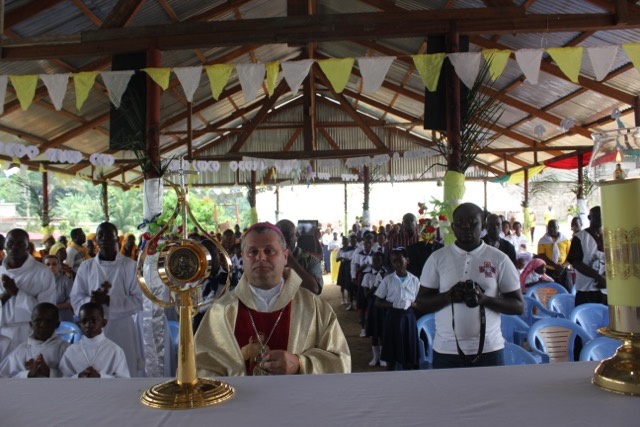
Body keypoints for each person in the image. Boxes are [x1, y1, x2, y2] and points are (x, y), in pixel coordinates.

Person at [195, 222, 350, 376]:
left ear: (285, 256)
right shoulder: (221, 311)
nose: (261, 257)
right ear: (242, 258)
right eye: (252, 252)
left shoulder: (314, 307)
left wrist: (300, 364)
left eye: (269, 251)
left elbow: (340, 361)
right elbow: (201, 370)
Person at [418, 203, 523, 369]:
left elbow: (518, 306)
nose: (466, 227)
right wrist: (449, 296)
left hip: (490, 350)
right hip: (446, 351)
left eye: (472, 223)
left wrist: (485, 300)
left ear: (483, 225)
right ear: (453, 227)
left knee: (492, 396)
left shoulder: (499, 259)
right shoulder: (437, 258)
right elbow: (422, 303)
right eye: (459, 223)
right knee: (447, 396)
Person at [70, 222, 145, 377]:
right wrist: (90, 303)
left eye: (108, 235)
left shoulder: (130, 266)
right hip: (93, 329)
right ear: (96, 239)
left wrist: (109, 301)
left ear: (116, 239)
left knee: (124, 370)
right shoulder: (86, 267)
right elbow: (76, 299)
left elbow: (139, 299)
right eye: (100, 235)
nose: (104, 239)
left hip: (122, 327)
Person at [0, 228, 57, 351]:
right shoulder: (0, 272)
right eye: (10, 243)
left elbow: (47, 310)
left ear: (28, 246)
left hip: (28, 332)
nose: (14, 247)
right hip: (2, 332)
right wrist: (5, 295)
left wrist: (17, 293)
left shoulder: (43, 272)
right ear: (4, 245)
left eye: (20, 243)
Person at [375, 247, 420, 370]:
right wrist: (392, 304)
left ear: (407, 260)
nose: (397, 264)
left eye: (400, 260)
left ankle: (409, 380)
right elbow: (377, 302)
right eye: (394, 261)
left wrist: (410, 303)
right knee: (391, 355)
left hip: (409, 318)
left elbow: (420, 303)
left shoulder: (414, 280)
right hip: (393, 318)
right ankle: (390, 379)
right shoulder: (388, 280)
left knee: (409, 354)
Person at [59, 302, 130, 378]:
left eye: (94, 321)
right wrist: (79, 376)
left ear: (104, 323)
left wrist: (100, 377)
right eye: (84, 321)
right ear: (79, 324)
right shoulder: (71, 351)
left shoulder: (115, 350)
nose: (89, 325)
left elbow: (124, 381)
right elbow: (63, 379)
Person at [0, 302, 69, 378]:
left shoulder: (65, 348)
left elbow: (73, 377)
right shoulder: (21, 350)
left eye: (48, 321)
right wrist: (28, 374)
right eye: (38, 320)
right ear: (31, 324)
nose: (43, 325)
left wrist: (49, 372)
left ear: (57, 324)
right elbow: (4, 376)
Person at [567, 206, 607, 306]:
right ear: (589, 217)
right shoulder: (580, 237)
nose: (600, 218)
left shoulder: (609, 236)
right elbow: (576, 262)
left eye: (602, 216)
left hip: (605, 291)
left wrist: (605, 277)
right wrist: (599, 277)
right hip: (586, 291)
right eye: (597, 216)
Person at [276, 219, 323, 295]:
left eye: (288, 236)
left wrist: (291, 261)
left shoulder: (309, 260)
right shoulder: (267, 258)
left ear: (296, 236)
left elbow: (314, 289)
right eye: (280, 236)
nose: (284, 240)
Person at [361, 251, 386, 367]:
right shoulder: (367, 275)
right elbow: (366, 295)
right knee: (374, 332)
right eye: (374, 260)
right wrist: (375, 285)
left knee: (383, 332)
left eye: (378, 260)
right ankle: (375, 357)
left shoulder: (387, 275)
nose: (376, 262)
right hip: (373, 306)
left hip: (384, 306)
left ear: (382, 262)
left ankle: (382, 357)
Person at [351, 233, 375, 337]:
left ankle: (371, 327)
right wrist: (365, 265)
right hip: (362, 277)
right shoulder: (358, 254)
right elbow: (357, 269)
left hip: (373, 277)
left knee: (372, 301)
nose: (368, 245)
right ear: (363, 244)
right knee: (362, 302)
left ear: (372, 244)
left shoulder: (375, 254)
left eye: (370, 243)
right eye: (366, 243)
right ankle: (363, 328)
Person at [536, 219, 571, 288]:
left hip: (563, 270)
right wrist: (555, 266)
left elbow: (570, 255)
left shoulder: (565, 240)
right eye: (549, 227)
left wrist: (562, 267)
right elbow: (541, 256)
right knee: (551, 291)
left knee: (567, 290)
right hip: (549, 271)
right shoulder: (542, 241)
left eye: (554, 227)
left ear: (558, 228)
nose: (551, 229)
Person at [43, 255, 74, 322]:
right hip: (45, 319)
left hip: (63, 318)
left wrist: (56, 307)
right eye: (48, 264)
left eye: (54, 264)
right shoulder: (39, 282)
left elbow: (73, 299)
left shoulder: (66, 281)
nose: (51, 267)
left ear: (59, 266)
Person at [336, 235, 356, 306]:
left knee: (348, 283)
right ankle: (342, 298)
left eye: (346, 241)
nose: (345, 242)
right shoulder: (341, 250)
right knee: (342, 283)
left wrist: (347, 259)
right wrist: (342, 257)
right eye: (344, 241)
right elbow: (337, 259)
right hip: (343, 267)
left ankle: (348, 298)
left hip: (349, 266)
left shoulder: (352, 249)